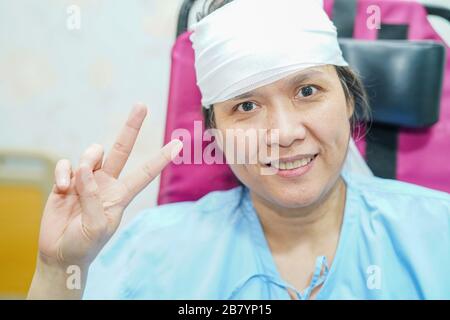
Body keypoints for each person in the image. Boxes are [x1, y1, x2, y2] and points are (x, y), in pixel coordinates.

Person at [27, 0, 450, 300]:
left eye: (307, 90)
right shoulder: (151, 251)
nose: (283, 133)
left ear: (349, 101)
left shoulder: (437, 234)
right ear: (216, 133)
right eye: (246, 106)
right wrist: (56, 269)